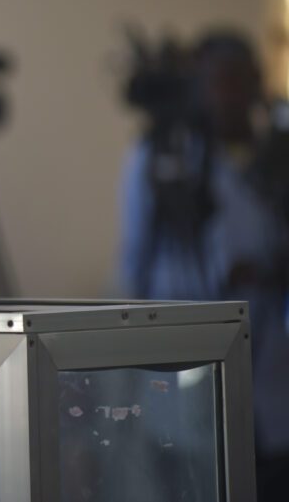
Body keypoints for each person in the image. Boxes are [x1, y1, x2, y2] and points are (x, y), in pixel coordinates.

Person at [117, 28, 289, 501]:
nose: (230, 95)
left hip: (273, 378)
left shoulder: (277, 154)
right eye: (218, 81)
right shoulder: (164, 156)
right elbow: (133, 266)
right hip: (185, 378)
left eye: (240, 80)